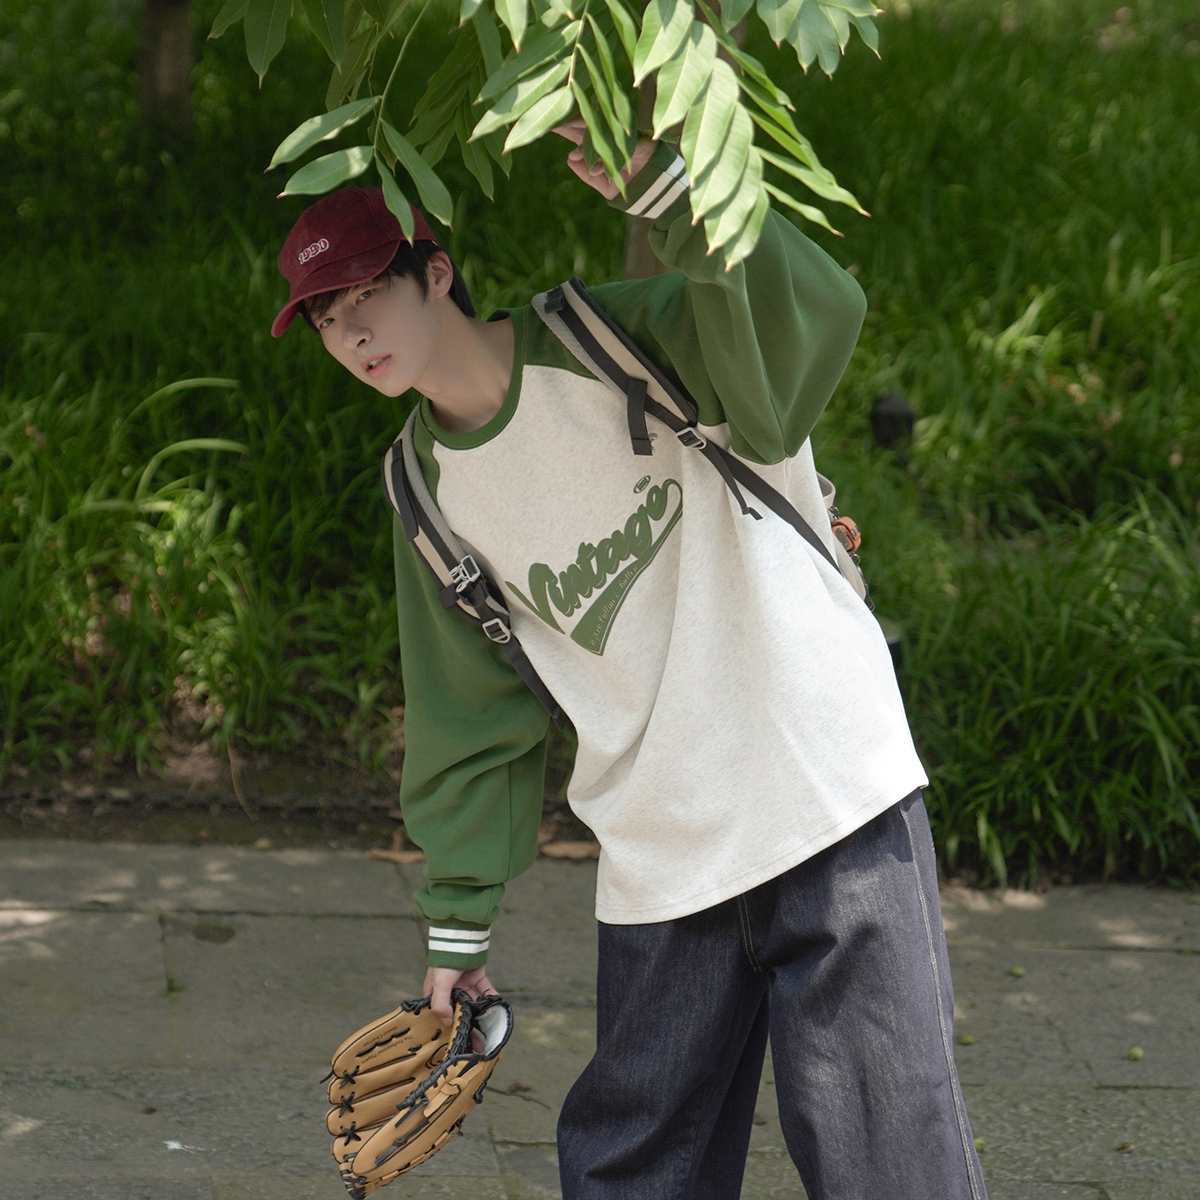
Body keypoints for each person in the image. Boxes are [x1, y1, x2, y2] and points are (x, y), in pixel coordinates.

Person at [271, 121, 988, 1200]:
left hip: (824, 790)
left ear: (439, 273)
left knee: (890, 1156)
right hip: (663, 849)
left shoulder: (614, 338)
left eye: (369, 292)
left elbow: (807, 332)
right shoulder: (424, 490)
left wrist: (685, 195)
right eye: (325, 318)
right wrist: (457, 931)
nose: (352, 330)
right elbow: (471, 714)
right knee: (631, 1172)